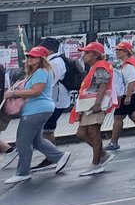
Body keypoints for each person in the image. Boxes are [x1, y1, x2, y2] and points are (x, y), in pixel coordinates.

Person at [2, 45, 71, 183]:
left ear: (42, 58)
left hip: (36, 109)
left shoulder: (40, 72)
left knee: (23, 141)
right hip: (39, 108)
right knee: (36, 140)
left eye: (33, 57)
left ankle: (23, 172)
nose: (30, 59)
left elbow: (36, 91)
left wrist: (13, 93)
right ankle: (59, 156)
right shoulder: (39, 72)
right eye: (28, 57)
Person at [70, 42, 118, 176]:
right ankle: (102, 155)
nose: (83, 55)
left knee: (93, 132)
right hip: (88, 105)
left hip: (93, 104)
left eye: (87, 53)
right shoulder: (96, 66)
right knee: (82, 133)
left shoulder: (100, 66)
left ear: (96, 54)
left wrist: (97, 103)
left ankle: (96, 163)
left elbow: (102, 85)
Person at [41, 37, 73, 148]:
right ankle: (52, 155)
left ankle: (53, 156)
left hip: (55, 100)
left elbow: (50, 81)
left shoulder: (55, 62)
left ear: (49, 49)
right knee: (46, 129)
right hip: (55, 100)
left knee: (47, 130)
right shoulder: (53, 60)